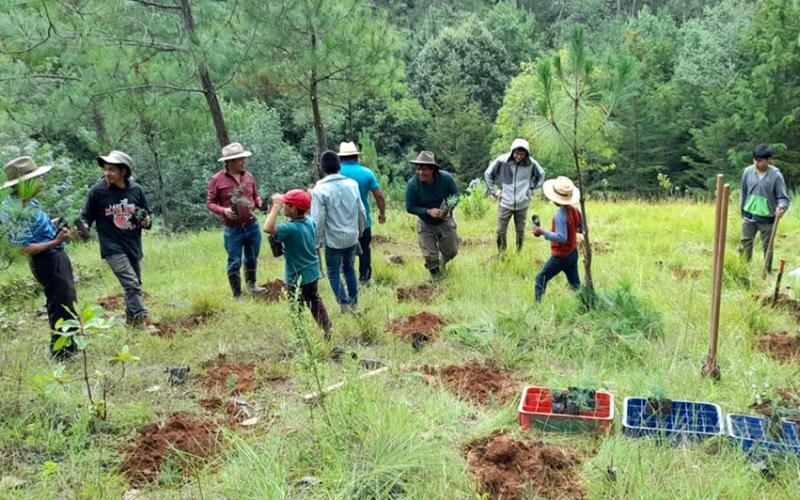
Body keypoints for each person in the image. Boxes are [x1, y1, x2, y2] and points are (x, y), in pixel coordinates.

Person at [1, 156, 78, 359]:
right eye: (36, 179)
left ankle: (71, 345)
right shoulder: (12, 210)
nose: (41, 183)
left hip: (56, 254)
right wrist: (54, 241)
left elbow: (38, 230)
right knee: (59, 302)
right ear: (24, 184)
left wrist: (55, 229)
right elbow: (24, 247)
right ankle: (61, 352)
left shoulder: (31, 202)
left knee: (68, 299)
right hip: (46, 260)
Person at [81, 151, 152, 325]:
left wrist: (147, 221)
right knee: (131, 283)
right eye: (105, 169)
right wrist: (83, 227)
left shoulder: (136, 190)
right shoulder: (97, 191)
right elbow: (85, 217)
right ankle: (143, 317)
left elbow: (147, 216)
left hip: (133, 244)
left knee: (134, 284)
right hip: (111, 246)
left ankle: (132, 324)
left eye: (112, 169)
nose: (107, 173)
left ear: (124, 171)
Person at [263, 190, 331, 335]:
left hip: (296, 276)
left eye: (285, 205)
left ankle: (301, 336)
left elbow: (267, 228)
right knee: (314, 301)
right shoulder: (310, 222)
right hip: (312, 272)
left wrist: (275, 207)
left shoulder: (290, 229)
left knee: (296, 307)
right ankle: (327, 328)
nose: (283, 207)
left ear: (293, 209)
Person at [206, 142, 266, 298]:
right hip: (233, 229)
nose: (243, 161)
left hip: (252, 225)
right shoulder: (216, 180)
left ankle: (252, 285)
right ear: (230, 162)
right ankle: (237, 294)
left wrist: (258, 202)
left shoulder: (249, 176)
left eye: (243, 158)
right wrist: (224, 210)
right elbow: (210, 203)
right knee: (234, 261)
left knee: (252, 256)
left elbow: (255, 195)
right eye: (239, 159)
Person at [311, 151, 366, 310]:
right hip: (351, 236)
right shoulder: (352, 184)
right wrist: (359, 231)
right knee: (349, 268)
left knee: (333, 271)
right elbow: (361, 211)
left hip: (333, 239)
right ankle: (354, 303)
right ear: (339, 166)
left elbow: (318, 218)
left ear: (321, 168)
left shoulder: (319, 189)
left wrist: (317, 240)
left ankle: (343, 303)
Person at [405, 151, 460, 280]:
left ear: (433, 170)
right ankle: (435, 275)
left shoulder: (446, 178)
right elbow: (410, 207)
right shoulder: (413, 185)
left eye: (424, 170)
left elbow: (456, 195)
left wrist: (447, 208)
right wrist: (428, 211)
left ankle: (442, 263)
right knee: (430, 255)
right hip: (425, 222)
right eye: (418, 169)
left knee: (451, 251)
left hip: (445, 220)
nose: (421, 173)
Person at [338, 141, 386, 285]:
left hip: (341, 222)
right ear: (356, 157)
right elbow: (379, 195)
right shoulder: (367, 173)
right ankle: (364, 278)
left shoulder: (336, 174)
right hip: (363, 221)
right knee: (364, 250)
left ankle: (347, 279)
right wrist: (382, 213)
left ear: (340, 158)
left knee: (345, 251)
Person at [485, 138, 545, 253]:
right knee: (500, 231)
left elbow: (541, 174)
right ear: (512, 151)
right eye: (516, 153)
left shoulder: (531, 163)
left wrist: (532, 190)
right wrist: (495, 191)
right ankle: (502, 254)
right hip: (505, 202)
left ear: (526, 154)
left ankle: (519, 253)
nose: (519, 156)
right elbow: (488, 174)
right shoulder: (502, 161)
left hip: (522, 203)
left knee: (520, 231)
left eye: (522, 154)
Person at [739, 144, 790, 272]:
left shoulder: (776, 176)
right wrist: (742, 209)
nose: (757, 163)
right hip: (749, 216)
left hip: (767, 218)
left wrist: (781, 207)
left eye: (760, 161)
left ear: (767, 160)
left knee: (767, 247)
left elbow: (783, 198)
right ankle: (744, 269)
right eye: (755, 160)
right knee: (745, 243)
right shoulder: (747, 172)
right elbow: (743, 192)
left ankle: (766, 272)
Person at [533, 176, 582, 302]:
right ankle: (585, 304)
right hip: (573, 253)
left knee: (540, 278)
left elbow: (562, 238)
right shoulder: (575, 211)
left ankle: (537, 306)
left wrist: (543, 232)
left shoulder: (560, 215)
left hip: (561, 256)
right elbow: (581, 229)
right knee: (576, 285)